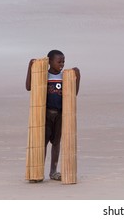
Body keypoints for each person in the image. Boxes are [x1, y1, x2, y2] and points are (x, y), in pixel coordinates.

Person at [26, 50, 80, 181]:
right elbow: (28, 87)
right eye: (59, 61)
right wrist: (30, 66)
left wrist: (77, 77)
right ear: (49, 62)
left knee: (56, 143)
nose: (61, 64)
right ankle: (38, 171)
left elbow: (74, 94)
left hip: (60, 115)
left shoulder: (64, 76)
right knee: (42, 142)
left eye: (63, 61)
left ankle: (53, 172)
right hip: (45, 114)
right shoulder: (43, 76)